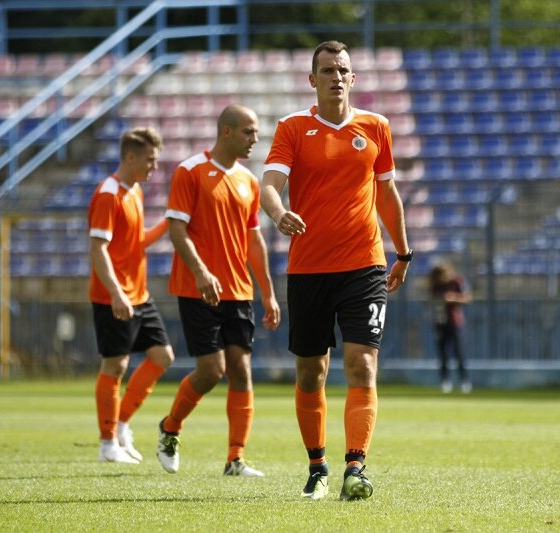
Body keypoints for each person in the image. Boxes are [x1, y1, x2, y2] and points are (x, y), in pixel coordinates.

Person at [260, 40, 412, 501]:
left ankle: (356, 468)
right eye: (327, 70)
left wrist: (403, 253)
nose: (336, 77)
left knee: (363, 364)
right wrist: (278, 213)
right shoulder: (293, 127)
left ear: (353, 78)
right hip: (308, 268)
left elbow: (386, 194)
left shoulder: (376, 126)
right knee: (312, 372)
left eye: (343, 70)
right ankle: (317, 466)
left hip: (365, 264)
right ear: (313, 79)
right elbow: (269, 185)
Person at [156, 104, 280, 477]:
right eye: (248, 131)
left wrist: (268, 292)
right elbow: (176, 229)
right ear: (226, 131)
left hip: (238, 292)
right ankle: (170, 428)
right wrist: (201, 272)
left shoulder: (249, 181)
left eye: (256, 132)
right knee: (211, 370)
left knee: (241, 372)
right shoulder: (190, 171)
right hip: (198, 289)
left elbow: (253, 240)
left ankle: (235, 459)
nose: (255, 139)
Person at [88, 127, 175, 464]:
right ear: (130, 156)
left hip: (139, 293)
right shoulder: (108, 194)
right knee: (115, 364)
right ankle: (107, 444)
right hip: (113, 295)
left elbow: (136, 242)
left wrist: (169, 222)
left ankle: (121, 424)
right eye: (150, 159)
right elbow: (98, 249)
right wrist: (115, 293)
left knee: (162, 356)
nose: (154, 166)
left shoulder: (134, 191)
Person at [429, 262, 472, 394]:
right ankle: (445, 381)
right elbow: (432, 300)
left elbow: (467, 297)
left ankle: (464, 381)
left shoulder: (457, 282)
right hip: (440, 322)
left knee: (459, 352)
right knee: (443, 354)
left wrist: (453, 298)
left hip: (454, 322)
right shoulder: (436, 284)